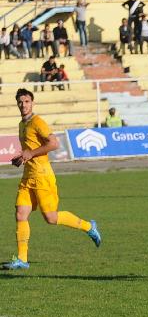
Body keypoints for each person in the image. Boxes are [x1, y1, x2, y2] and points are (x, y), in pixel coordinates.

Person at [2, 88, 101, 270]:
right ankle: (22, 260)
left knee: (51, 218)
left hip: (42, 176)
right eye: (20, 102)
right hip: (28, 177)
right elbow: (30, 149)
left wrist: (31, 153)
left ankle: (89, 226)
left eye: (26, 101)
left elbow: (54, 143)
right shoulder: (22, 124)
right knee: (20, 214)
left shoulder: (38, 122)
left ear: (32, 103)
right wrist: (22, 158)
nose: (23, 105)